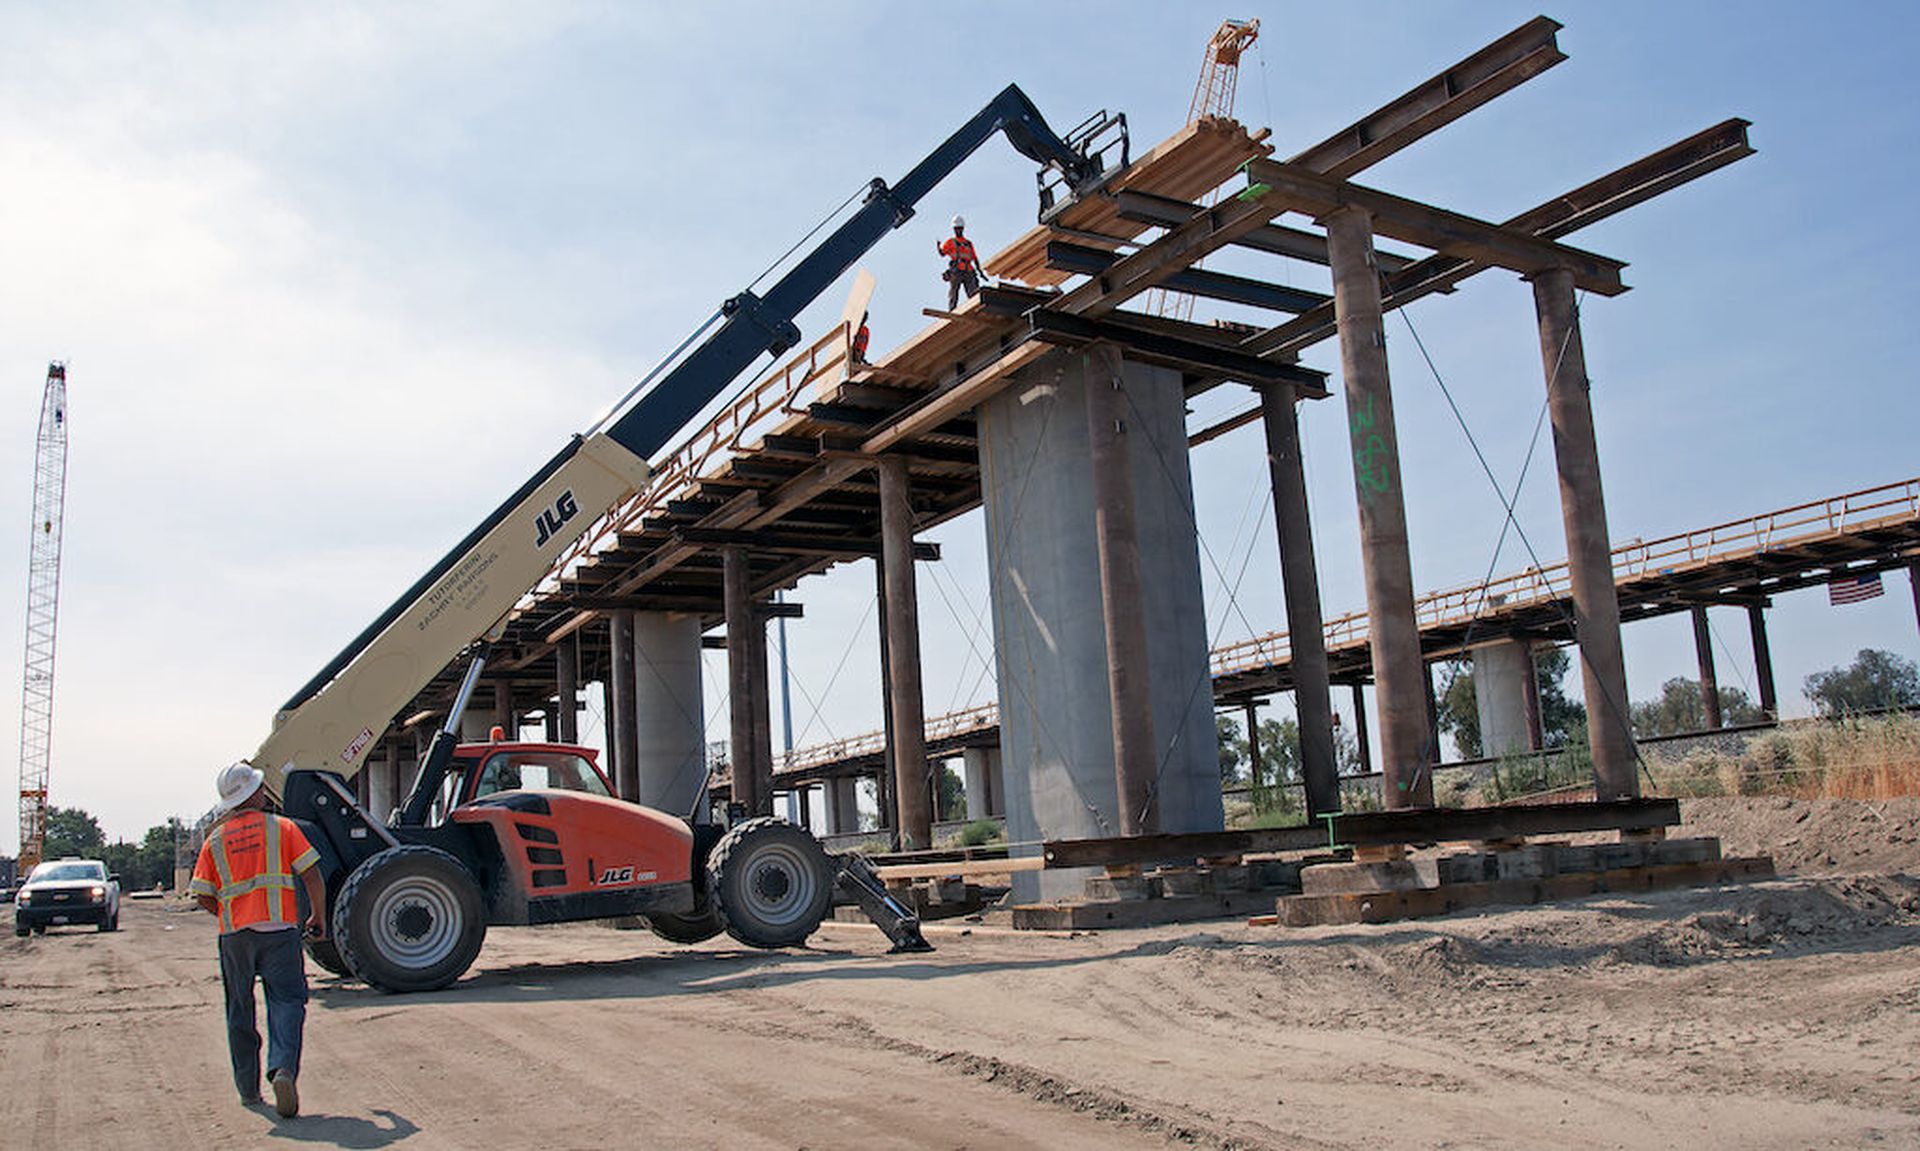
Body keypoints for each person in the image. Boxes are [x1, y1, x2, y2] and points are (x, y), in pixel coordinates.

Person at [189, 761, 326, 1118]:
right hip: (280, 931)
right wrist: (317, 916)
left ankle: (248, 1090)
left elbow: (202, 894)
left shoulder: (214, 840)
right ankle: (282, 1068)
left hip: (235, 936)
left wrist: (229, 912)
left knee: (240, 1008)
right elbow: (311, 874)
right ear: (257, 794)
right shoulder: (283, 828)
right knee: (287, 1001)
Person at [936, 215, 983, 310]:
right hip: (957, 270)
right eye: (956, 229)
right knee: (954, 292)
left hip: (968, 270)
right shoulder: (951, 242)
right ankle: (952, 309)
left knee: (973, 292)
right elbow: (942, 253)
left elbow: (974, 258)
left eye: (960, 228)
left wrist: (980, 271)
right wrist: (938, 247)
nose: (958, 230)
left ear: (963, 229)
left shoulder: (968, 243)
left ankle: (975, 308)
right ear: (954, 229)